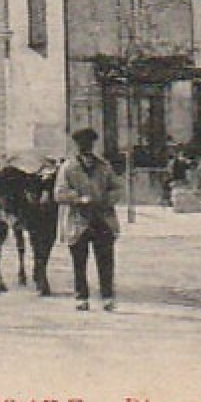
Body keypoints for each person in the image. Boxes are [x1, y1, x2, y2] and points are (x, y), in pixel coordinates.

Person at [54, 127, 122, 312]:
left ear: (93, 145)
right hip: (78, 221)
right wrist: (78, 198)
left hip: (102, 219)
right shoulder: (67, 168)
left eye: (89, 143)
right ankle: (81, 297)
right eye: (82, 144)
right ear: (77, 146)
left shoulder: (104, 166)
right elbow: (59, 193)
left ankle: (107, 297)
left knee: (106, 261)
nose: (86, 147)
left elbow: (117, 188)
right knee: (79, 262)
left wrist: (106, 200)